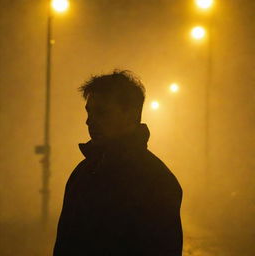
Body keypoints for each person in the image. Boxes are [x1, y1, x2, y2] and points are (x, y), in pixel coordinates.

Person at [53, 70, 183, 255]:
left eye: (101, 112)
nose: (89, 121)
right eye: (89, 112)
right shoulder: (82, 173)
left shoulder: (157, 182)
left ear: (131, 114)